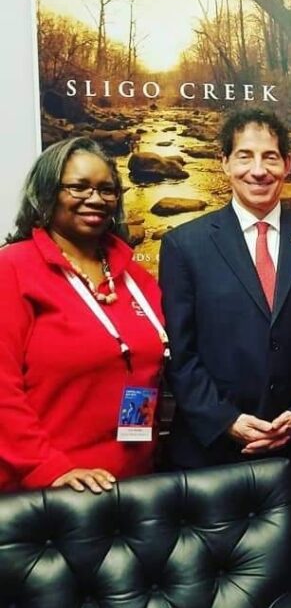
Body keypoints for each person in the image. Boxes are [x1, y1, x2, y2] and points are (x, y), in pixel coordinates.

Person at [159, 108, 291, 595]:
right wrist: (226, 420)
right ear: (224, 163)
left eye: (270, 157)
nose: (258, 169)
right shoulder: (186, 245)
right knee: (212, 589)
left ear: (288, 165)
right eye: (244, 156)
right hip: (213, 454)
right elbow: (181, 354)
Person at [0, 137, 167, 492]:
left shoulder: (135, 277)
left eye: (107, 189)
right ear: (47, 192)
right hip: (48, 491)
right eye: (78, 187)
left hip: (132, 484)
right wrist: (47, 468)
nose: (95, 199)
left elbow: (147, 369)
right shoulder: (12, 269)